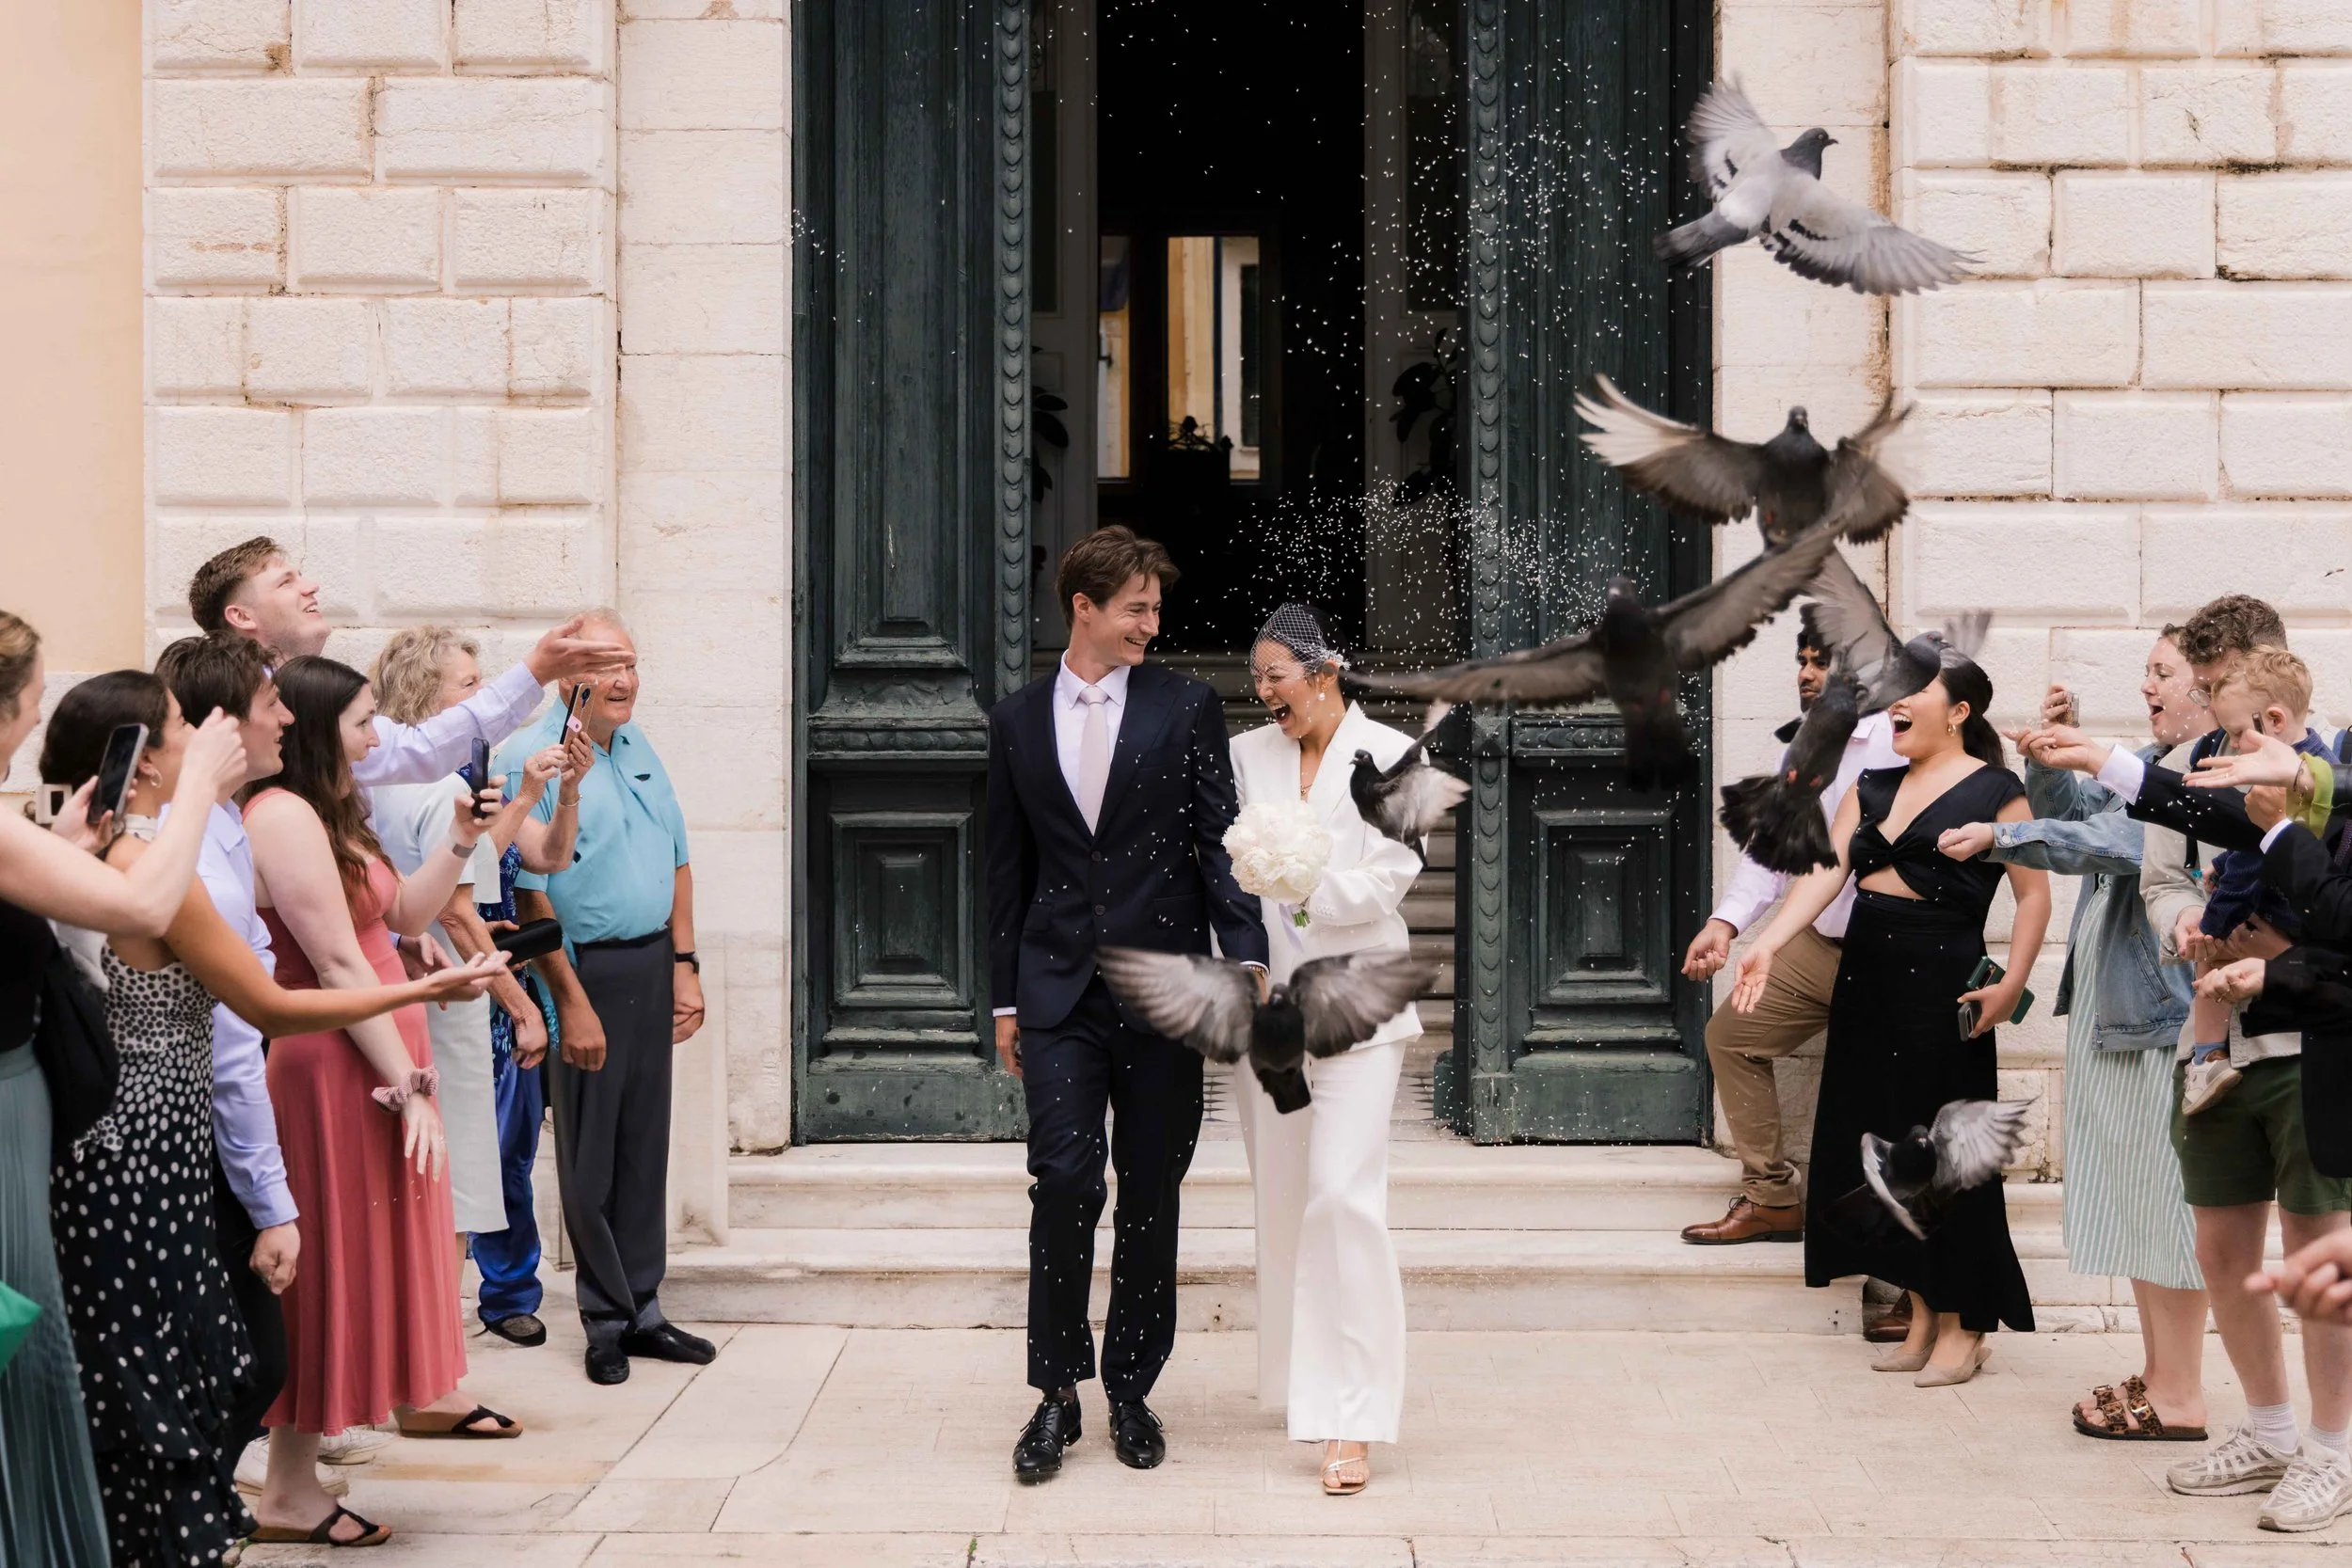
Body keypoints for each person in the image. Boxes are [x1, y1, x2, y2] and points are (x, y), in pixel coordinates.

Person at [37, 673, 501, 1565]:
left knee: (187, 1362)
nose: (202, 740)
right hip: (145, 1148)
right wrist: (428, 986)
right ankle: (174, 1530)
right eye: (181, 729)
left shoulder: (101, 851)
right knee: (192, 1367)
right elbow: (269, 1005)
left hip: (148, 1140)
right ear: (138, 765)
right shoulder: (145, 869)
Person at [2018, 593, 2352, 1531]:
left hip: (2309, 1046)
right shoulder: (2203, 770)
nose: (2195, 700)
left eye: (2209, 685)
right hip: (2210, 1048)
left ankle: (2333, 1450)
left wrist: (2267, 950)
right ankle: (2272, 1430)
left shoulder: (2331, 772)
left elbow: (2331, 905)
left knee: (2319, 1253)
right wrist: (2187, 926)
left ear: (2262, 687)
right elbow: (2165, 842)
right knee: (2219, 1245)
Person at [985, 528, 1270, 1482]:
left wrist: (1248, 953)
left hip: (1167, 989)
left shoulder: (1185, 706)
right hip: (1057, 988)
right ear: (1086, 608)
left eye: (1154, 606)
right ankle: (1056, 1391)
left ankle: (1132, 1387)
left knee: (1151, 1192)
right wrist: (1001, 1002)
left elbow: (1217, 839)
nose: (1154, 622)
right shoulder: (1018, 719)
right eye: (1138, 607)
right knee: (1064, 1179)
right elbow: (1005, 869)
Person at [243, 657, 525, 1550]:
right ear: (325, 727)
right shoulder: (281, 816)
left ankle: (304, 1471)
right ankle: (287, 1484)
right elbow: (333, 963)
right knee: (323, 1272)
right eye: (366, 722)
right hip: (331, 1067)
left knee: (358, 1264)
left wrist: (459, 839)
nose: (380, 737)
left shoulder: (334, 809)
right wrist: (406, 1089)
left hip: (373, 1050)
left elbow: (399, 919)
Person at [0, 610, 245, 1568]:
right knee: (24, 1337)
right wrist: (199, 795)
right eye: (31, 701)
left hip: (27, 1101)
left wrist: (61, 839)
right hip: (12, 1103)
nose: (33, 722)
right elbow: (145, 905)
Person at [1731, 653, 2048, 1385]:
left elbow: (2034, 897)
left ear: (1960, 711)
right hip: (1868, 977)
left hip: (1942, 982)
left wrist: (2014, 983)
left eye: (1916, 693)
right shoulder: (1871, 786)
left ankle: (1968, 1326)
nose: (1896, 704)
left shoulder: (2000, 790)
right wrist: (1767, 946)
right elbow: (1822, 873)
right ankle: (1923, 1311)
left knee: (1948, 1157)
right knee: (1886, 1149)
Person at [1935, 635, 2205, 1444]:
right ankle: (2161, 1380)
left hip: (2157, 1027)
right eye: (2148, 670)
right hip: (2116, 1022)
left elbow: (2118, 847)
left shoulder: (2200, 775)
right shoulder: (2157, 764)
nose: (2148, 683)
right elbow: (2078, 815)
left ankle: (2182, 1393)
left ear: (2210, 683)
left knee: (2165, 1209)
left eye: (2165, 672)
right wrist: (2050, 761)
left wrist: (2000, 836)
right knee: (2134, 1207)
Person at [1229, 605, 1425, 1497]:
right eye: (1257, 677)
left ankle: (1356, 1421)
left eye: (1276, 674)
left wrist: (1306, 888)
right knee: (1285, 1205)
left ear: (1324, 670)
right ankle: (1303, 1397)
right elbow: (1226, 875)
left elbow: (1394, 876)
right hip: (1270, 1019)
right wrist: (1251, 957)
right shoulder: (1246, 757)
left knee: (1347, 1199)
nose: (1264, 691)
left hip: (1359, 1008)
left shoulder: (1399, 756)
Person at [496, 610, 710, 1386]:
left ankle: (645, 1307)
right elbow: (529, 894)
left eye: (632, 662)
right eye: (609, 664)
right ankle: (605, 1317)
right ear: (567, 674)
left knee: (643, 1146)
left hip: (652, 965)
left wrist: (685, 963)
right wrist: (570, 1002)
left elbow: (678, 857)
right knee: (589, 1157)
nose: (626, 680)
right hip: (585, 970)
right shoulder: (534, 756)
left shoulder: (637, 742)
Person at [1680, 610, 1903, 1273]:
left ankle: (1898, 1271)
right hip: (1820, 947)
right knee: (1731, 1034)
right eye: (1801, 660)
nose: (1806, 674)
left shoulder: (1899, 740)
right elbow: (1775, 848)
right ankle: (1773, 1197)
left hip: (1893, 953)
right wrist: (1726, 922)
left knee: (1887, 1097)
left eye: (1820, 660)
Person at [370, 627, 586, 1288]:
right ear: (425, 698)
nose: (482, 696)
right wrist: (525, 1009)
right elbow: (460, 914)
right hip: (456, 997)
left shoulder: (393, 785)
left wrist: (535, 792)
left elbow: (510, 853)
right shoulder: (434, 791)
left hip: (420, 988)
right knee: (455, 1180)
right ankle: (438, 1348)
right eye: (468, 685)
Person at [189, 534, 626, 794]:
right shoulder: (230, 705)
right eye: (287, 581)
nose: (311, 586)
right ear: (241, 617)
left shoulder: (300, 690)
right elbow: (423, 749)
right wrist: (536, 670)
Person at [2180, 649, 2334, 1116]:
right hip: (2310, 910)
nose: (2230, 746)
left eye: (2234, 734)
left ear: (2273, 720)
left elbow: (2256, 858)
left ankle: (2208, 1057)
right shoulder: (2323, 764)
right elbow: (2252, 846)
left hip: (2284, 910)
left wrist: (2213, 923)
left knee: (2212, 956)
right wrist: (2222, 867)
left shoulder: (2275, 780)